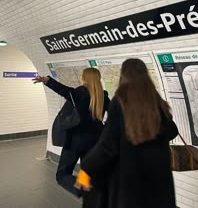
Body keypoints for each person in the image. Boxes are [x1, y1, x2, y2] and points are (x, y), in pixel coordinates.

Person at [76, 58, 178, 208]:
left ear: (123, 75)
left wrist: (87, 168)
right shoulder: (157, 101)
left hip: (130, 177)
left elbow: (107, 145)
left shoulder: (120, 102)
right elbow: (171, 131)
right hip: (158, 175)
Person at [33, 68, 110, 206]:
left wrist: (47, 80)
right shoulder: (103, 96)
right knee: (86, 171)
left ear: (85, 78)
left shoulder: (81, 92)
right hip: (95, 141)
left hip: (75, 141)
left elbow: (65, 91)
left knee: (62, 175)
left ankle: (83, 189)